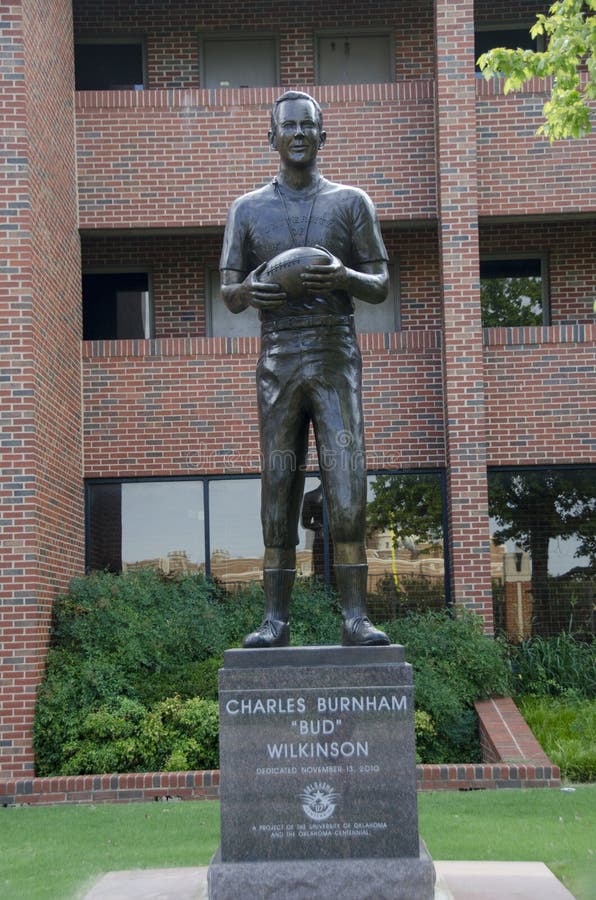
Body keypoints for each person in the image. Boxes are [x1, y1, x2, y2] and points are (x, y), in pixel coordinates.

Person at [220, 90, 390, 648]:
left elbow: (380, 282)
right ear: (271, 138)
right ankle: (274, 621)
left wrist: (343, 276)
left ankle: (355, 618)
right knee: (278, 487)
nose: (297, 134)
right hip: (278, 359)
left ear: (323, 135)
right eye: (287, 127)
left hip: (335, 356)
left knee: (346, 486)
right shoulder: (247, 209)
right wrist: (251, 288)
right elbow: (230, 292)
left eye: (307, 126)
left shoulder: (351, 203)